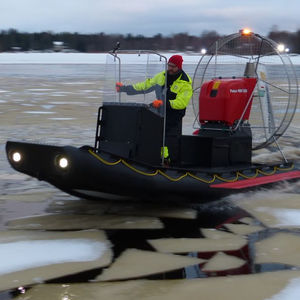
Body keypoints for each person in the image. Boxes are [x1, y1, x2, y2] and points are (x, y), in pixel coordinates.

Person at [116, 55, 193, 165]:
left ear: (179, 67)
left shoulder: (185, 83)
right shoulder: (161, 76)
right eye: (169, 65)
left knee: (163, 133)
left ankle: (165, 160)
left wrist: (164, 103)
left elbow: (181, 103)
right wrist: (124, 88)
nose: (170, 68)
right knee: (145, 125)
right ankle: (141, 154)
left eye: (173, 66)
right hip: (160, 109)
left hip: (174, 113)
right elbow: (145, 86)